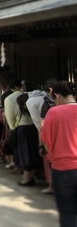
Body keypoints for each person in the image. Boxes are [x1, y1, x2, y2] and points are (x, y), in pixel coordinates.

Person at [41, 81, 77, 227]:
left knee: (67, 211)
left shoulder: (54, 112)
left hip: (63, 169)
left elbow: (46, 141)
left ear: (57, 96)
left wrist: (52, 155)